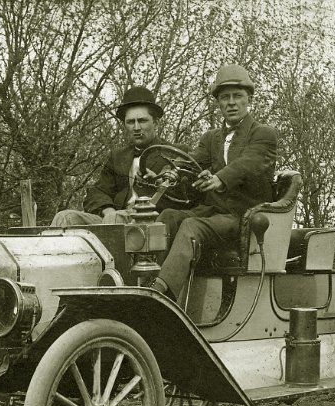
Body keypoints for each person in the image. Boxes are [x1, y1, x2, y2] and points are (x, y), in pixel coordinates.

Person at [151, 64, 278, 301]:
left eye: (237, 96)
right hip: (212, 213)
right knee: (168, 215)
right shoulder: (211, 138)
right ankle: (146, 279)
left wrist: (219, 179)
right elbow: (190, 162)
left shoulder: (263, 134)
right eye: (224, 97)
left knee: (191, 225)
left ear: (248, 99)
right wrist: (171, 172)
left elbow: (248, 164)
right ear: (218, 103)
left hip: (242, 217)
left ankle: (162, 295)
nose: (231, 102)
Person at [51, 86, 190, 227]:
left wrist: (159, 182)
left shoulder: (175, 154)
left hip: (152, 223)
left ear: (156, 122)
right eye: (130, 122)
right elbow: (97, 192)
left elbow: (186, 198)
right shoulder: (117, 156)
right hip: (114, 219)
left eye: (142, 121)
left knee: (115, 219)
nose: (136, 128)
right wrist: (108, 211)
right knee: (64, 217)